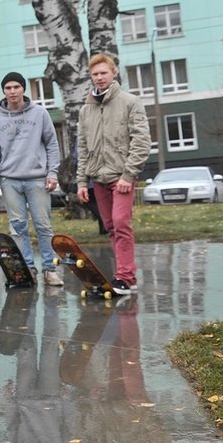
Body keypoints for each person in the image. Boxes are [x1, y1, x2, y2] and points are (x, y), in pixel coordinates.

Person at [76, 54, 151, 295]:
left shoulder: (130, 102)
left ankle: (125, 277)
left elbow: (141, 141)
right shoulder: (86, 110)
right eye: (95, 74)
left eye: (103, 73)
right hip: (98, 178)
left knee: (121, 223)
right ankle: (126, 274)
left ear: (114, 73)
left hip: (122, 177)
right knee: (110, 226)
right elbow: (83, 148)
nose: (99, 78)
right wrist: (81, 181)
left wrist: (128, 176)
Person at [0, 71, 63, 286]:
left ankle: (50, 269)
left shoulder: (39, 113)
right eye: (8, 88)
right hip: (9, 180)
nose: (12, 91)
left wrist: (52, 172)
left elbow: (52, 144)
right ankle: (28, 268)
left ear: (23, 89)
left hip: (37, 179)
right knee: (17, 227)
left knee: (43, 226)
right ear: (3, 91)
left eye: (16, 87)